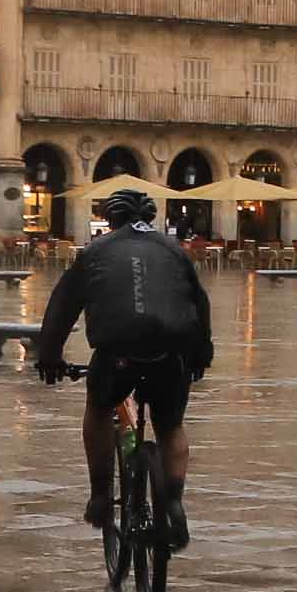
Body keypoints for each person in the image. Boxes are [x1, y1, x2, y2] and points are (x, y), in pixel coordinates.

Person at [32, 185, 211, 550]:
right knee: (171, 426)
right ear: (150, 218)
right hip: (171, 351)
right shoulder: (174, 251)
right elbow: (199, 303)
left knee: (99, 409)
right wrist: (200, 354)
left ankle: (100, 496)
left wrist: (49, 356)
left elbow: (62, 307)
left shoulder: (96, 251)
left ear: (110, 220)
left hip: (119, 353)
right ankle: (174, 502)